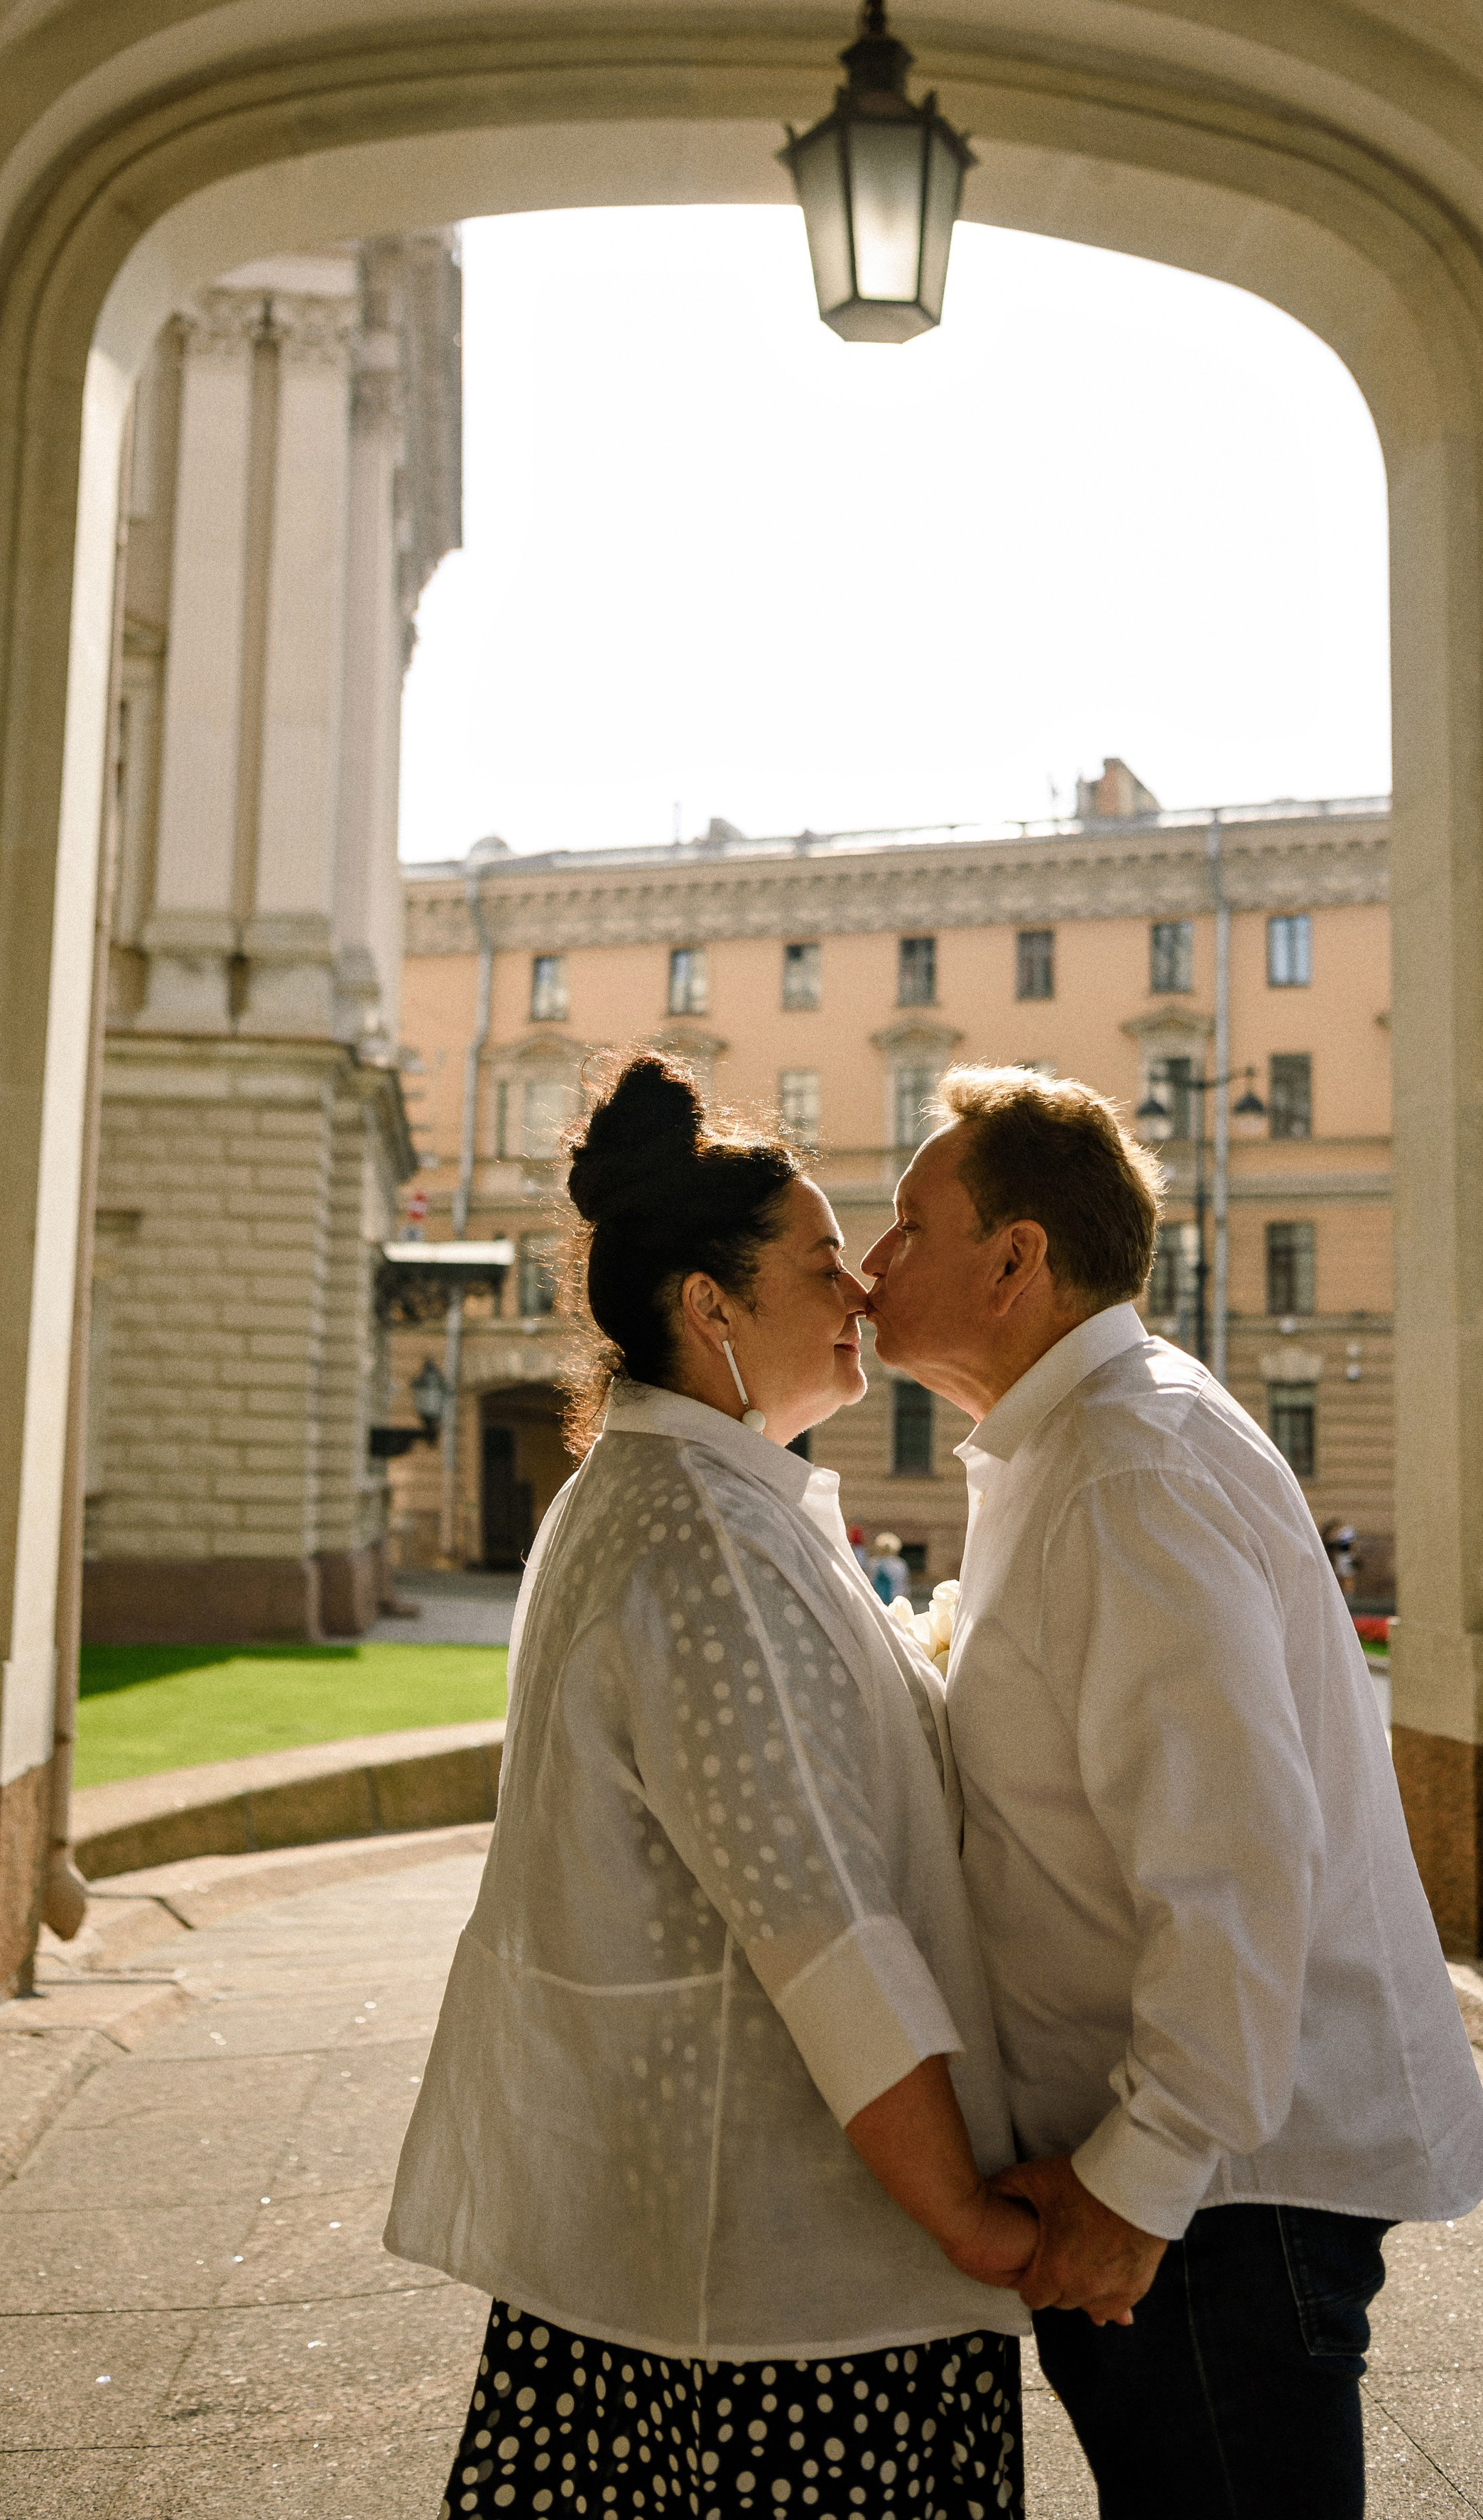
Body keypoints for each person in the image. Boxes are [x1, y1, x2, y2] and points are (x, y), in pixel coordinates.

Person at [386, 1053, 1034, 2520]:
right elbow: (818, 1922)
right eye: (818, 1259)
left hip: (684, 2244)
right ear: (708, 1307)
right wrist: (968, 2216)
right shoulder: (700, 1540)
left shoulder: (687, 1497)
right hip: (777, 2297)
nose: (859, 1287)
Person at [860, 1065, 1483, 2520]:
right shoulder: (1074, 1442)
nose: (868, 1261)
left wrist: (1133, 2181)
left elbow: (1239, 1858)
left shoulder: (1127, 1464)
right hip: (1186, 2182)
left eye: (907, 1223)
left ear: (1015, 1256)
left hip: (1216, 2201)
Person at [869, 1531, 911, 1605]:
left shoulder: (873, 1563)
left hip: (877, 1600)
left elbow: (870, 1582)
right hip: (895, 1600)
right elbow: (904, 1585)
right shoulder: (900, 1564)